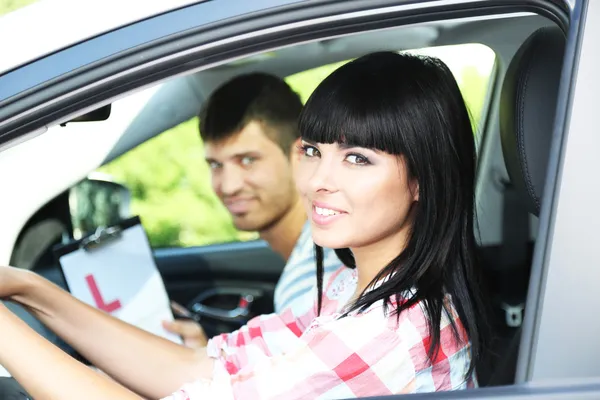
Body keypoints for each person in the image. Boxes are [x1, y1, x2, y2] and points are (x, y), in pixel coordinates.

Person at [0, 50, 488, 399]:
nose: (318, 179)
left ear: (423, 178)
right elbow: (205, 369)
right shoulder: (349, 290)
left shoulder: (388, 333)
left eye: (357, 159)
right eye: (315, 152)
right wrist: (27, 289)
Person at [162, 73, 343, 346]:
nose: (228, 186)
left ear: (300, 155)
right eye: (215, 165)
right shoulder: (314, 256)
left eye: (248, 160)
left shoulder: (313, 279)